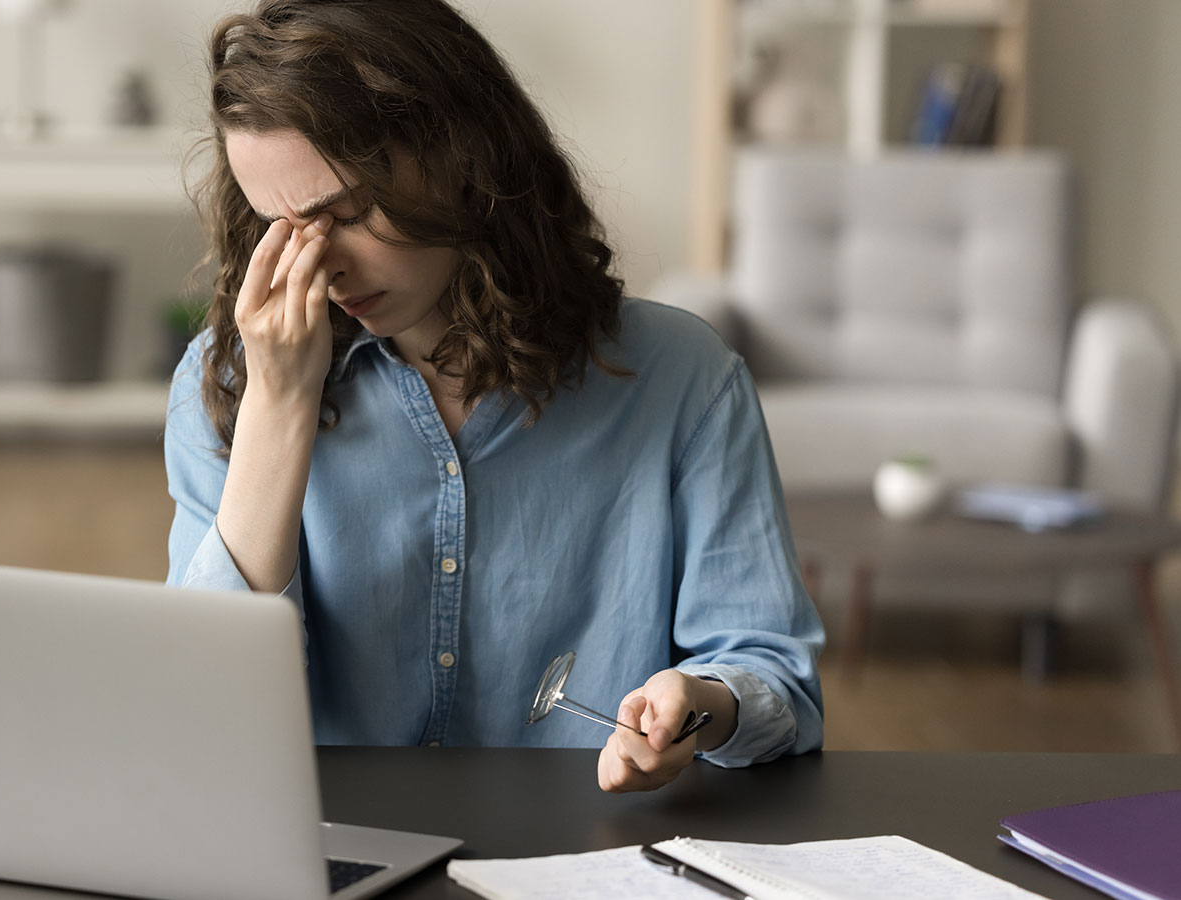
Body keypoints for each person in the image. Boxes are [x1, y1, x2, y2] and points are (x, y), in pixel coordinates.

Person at [165, 0, 824, 793]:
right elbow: (201, 717)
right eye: (282, 225)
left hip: (586, 854)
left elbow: (776, 682)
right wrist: (276, 406)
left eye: (348, 213)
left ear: (462, 156)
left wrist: (702, 703)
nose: (322, 267)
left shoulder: (683, 379)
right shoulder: (229, 380)